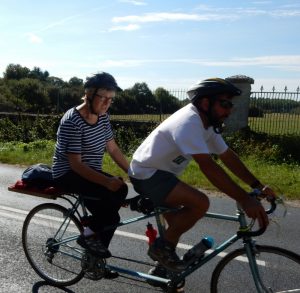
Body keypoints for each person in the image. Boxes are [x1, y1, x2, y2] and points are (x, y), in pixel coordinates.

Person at [128, 77, 276, 272]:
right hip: (146, 173)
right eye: (225, 104)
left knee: (177, 224)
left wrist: (257, 185)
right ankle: (161, 251)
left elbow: (227, 157)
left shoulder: (207, 123)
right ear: (205, 103)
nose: (229, 110)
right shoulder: (188, 122)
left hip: (163, 174)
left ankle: (163, 267)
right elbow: (208, 167)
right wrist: (244, 199)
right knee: (200, 202)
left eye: (230, 104)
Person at [52, 72, 129, 278]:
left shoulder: (103, 117)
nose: (106, 104)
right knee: (110, 213)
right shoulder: (72, 121)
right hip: (68, 173)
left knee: (121, 189)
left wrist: (132, 172)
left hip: (89, 173)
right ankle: (89, 240)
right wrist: (106, 181)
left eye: (110, 99)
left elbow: (112, 149)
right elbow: (76, 165)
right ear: (88, 94)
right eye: (102, 97)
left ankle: (93, 259)